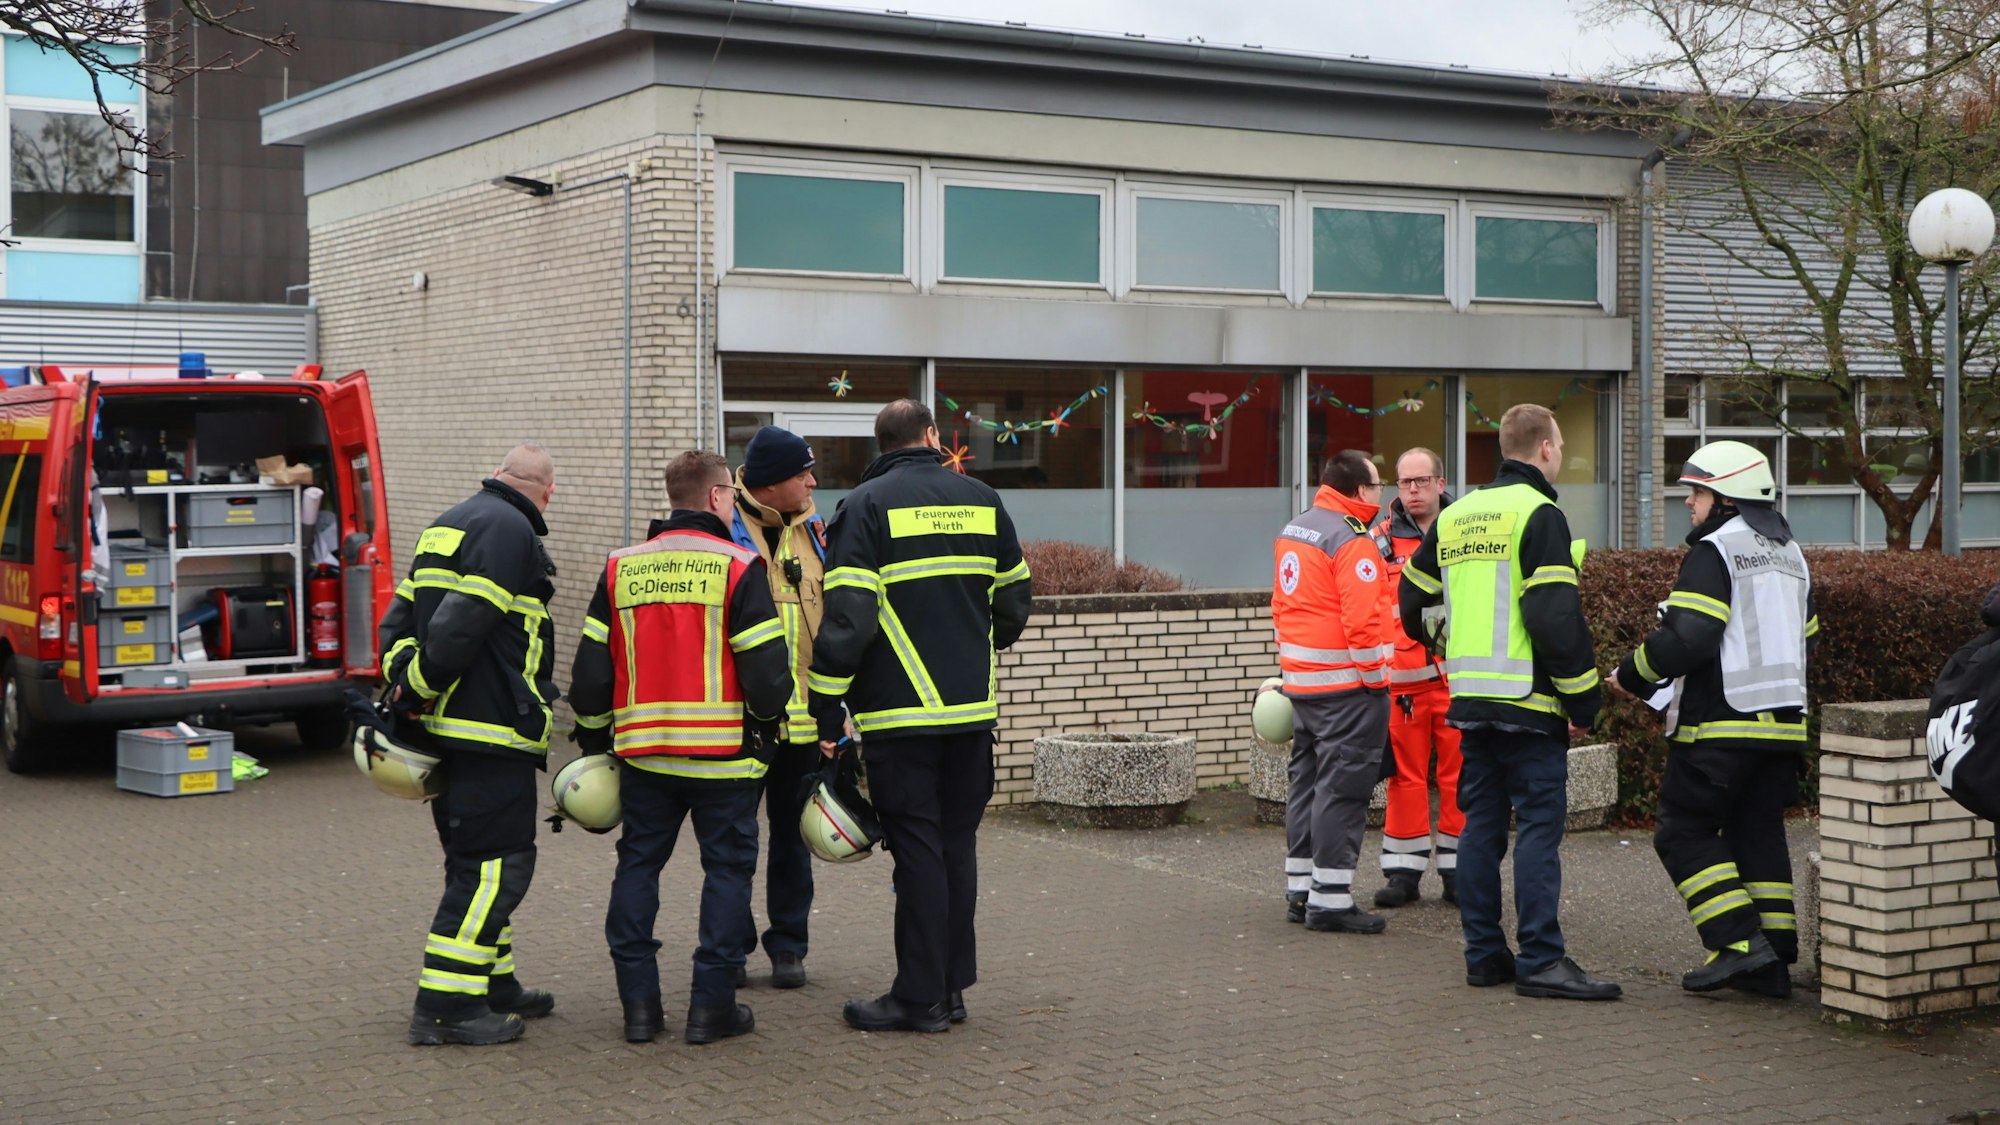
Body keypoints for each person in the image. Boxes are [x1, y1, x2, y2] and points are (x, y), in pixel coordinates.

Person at [807, 399, 1033, 1033]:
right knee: (956, 847)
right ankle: (950, 990)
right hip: (970, 715)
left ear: (881, 445)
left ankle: (918, 998)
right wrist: (974, 646)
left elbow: (847, 620)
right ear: (933, 437)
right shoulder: (983, 498)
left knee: (918, 852)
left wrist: (826, 710)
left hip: (900, 719)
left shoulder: (866, 506)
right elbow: (1014, 602)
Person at [570, 450, 792, 1045]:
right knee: (725, 874)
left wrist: (596, 743)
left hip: (644, 757)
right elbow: (769, 678)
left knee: (638, 866)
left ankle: (639, 1010)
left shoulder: (620, 568)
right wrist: (768, 729)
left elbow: (588, 679)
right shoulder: (740, 566)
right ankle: (710, 1009)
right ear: (719, 497)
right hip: (725, 757)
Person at [1398, 405, 1620, 1001]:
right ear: (1545, 448)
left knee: (1481, 829)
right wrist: (1583, 702)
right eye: (1561, 444)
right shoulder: (1540, 513)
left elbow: (1411, 599)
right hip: (1529, 702)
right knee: (1539, 833)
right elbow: (1553, 616)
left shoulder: (1458, 514)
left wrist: (1447, 645)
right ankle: (1543, 960)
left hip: (1471, 699)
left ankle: (1484, 955)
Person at [1611, 440, 1818, 997]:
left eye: (1697, 492)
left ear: (1726, 497)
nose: (1689, 504)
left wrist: (1631, 674)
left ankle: (1739, 944)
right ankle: (1773, 962)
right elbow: (1807, 640)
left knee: (1683, 832)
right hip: (1782, 732)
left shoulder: (1716, 550)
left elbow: (1691, 636)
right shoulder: (1790, 553)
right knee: (1758, 836)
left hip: (1721, 729)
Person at [378, 443, 562, 1046]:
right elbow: (466, 619)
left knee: (472, 862)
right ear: (546, 491)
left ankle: (491, 982)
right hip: (489, 731)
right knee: (494, 868)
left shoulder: (444, 524)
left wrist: (404, 679)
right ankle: (447, 1008)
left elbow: (399, 617)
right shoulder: (511, 529)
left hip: (445, 737)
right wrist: (424, 685)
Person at [1273, 450, 1394, 934]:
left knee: (1306, 785)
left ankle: (1301, 891)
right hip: (1348, 690)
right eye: (1378, 483)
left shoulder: (1295, 528)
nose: (1381, 491)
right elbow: (1363, 623)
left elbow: (1282, 607)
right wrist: (1376, 680)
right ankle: (1331, 900)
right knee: (1341, 795)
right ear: (1360, 491)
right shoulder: (1351, 538)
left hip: (1303, 685)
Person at [728, 426, 829, 990]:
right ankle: (733, 946)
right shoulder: (729, 530)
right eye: (802, 473)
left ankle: (788, 947)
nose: (813, 482)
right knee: (735, 841)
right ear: (770, 483)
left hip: (806, 720)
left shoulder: (816, 530)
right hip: (745, 720)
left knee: (794, 842)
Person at [1371, 448, 1463, 909]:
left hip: (1456, 680)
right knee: (1404, 780)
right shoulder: (1380, 540)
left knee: (1458, 777)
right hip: (1403, 685)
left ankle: (1458, 872)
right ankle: (1403, 874)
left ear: (1440, 483)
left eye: (1421, 481)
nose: (1412, 491)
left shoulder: (1465, 531)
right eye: (1405, 483)